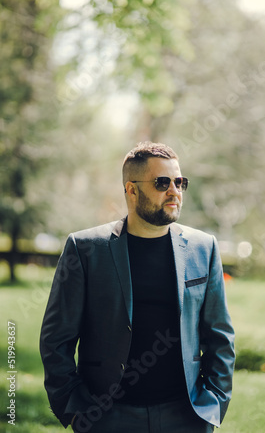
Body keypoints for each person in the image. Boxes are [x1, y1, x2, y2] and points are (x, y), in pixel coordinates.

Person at [40, 141, 235, 433]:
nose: (175, 191)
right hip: (107, 418)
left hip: (186, 417)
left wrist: (214, 402)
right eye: (162, 183)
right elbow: (56, 339)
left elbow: (220, 335)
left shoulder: (203, 248)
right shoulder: (85, 249)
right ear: (131, 189)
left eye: (179, 182)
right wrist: (74, 408)